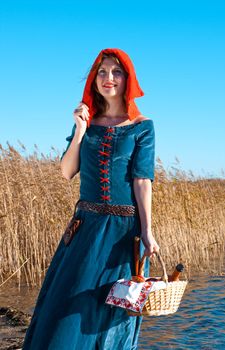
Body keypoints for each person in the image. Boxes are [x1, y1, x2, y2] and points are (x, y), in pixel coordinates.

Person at [22, 48, 160, 350]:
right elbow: (67, 171)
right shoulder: (85, 121)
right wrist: (82, 130)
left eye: (116, 72)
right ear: (94, 79)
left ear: (127, 79)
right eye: (102, 72)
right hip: (86, 227)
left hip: (124, 232)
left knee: (113, 309)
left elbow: (142, 181)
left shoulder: (142, 126)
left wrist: (147, 230)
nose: (108, 78)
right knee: (66, 305)